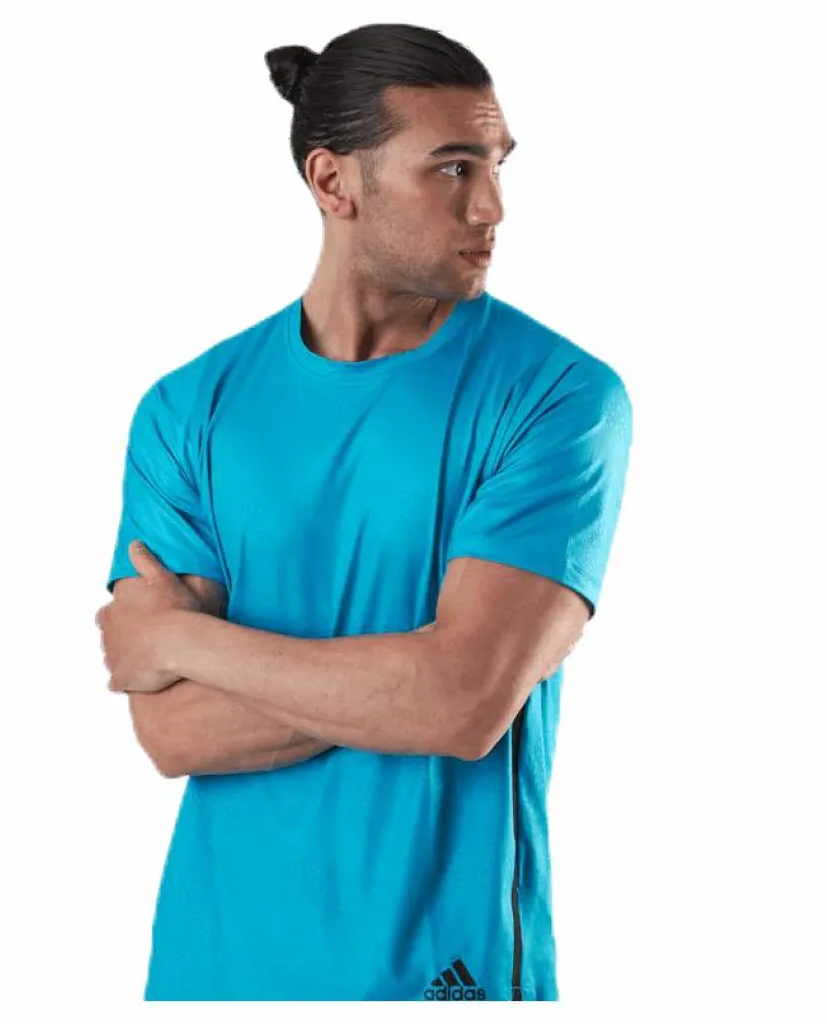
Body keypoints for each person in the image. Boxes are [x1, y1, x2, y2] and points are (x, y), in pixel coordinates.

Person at [95, 22, 633, 1001]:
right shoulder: (189, 408)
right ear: (333, 181)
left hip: (441, 976)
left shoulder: (556, 397)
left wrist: (179, 639)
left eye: (497, 165)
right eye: (453, 168)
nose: (492, 206)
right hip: (211, 973)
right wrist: (407, 680)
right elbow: (173, 734)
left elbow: (461, 704)